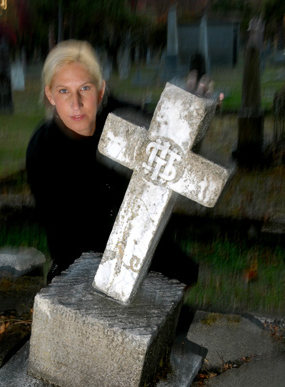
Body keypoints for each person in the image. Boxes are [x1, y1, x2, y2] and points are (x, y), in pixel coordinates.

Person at [26, 39, 199, 285]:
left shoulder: (120, 118)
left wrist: (188, 116)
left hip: (145, 255)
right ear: (49, 96)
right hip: (79, 264)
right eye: (63, 90)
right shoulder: (42, 149)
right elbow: (63, 232)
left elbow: (172, 146)